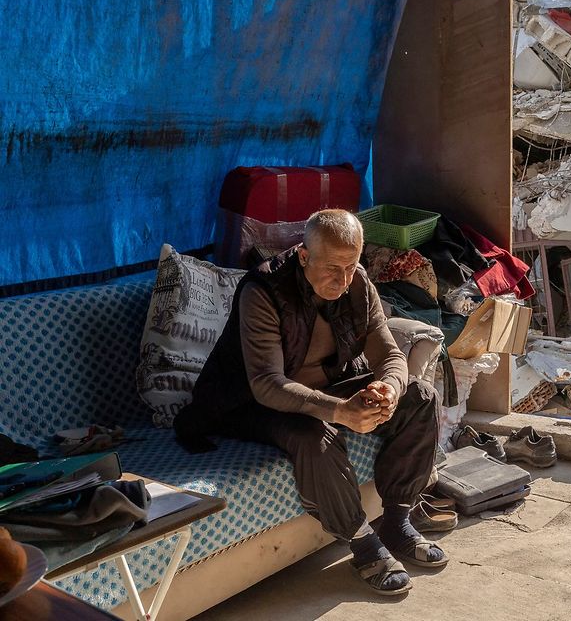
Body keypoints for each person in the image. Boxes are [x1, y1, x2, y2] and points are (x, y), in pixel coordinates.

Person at [174, 209, 443, 596]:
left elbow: (389, 352)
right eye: (333, 268)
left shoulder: (357, 284)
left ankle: (397, 523)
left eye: (351, 266)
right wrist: (340, 412)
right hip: (251, 403)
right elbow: (267, 383)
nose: (343, 279)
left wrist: (390, 386)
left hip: (333, 386)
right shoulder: (263, 291)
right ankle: (363, 543)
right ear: (303, 255)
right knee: (314, 437)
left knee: (420, 397)